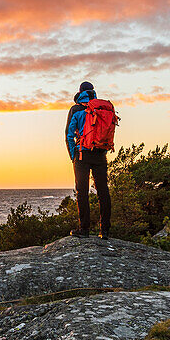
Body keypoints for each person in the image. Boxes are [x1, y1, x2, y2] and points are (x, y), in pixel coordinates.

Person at [65, 81, 112, 239]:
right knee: (103, 191)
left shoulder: (76, 109)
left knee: (82, 192)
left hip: (82, 154)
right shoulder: (102, 107)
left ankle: (84, 229)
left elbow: (69, 134)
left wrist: (73, 156)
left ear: (80, 92)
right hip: (100, 154)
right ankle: (104, 230)